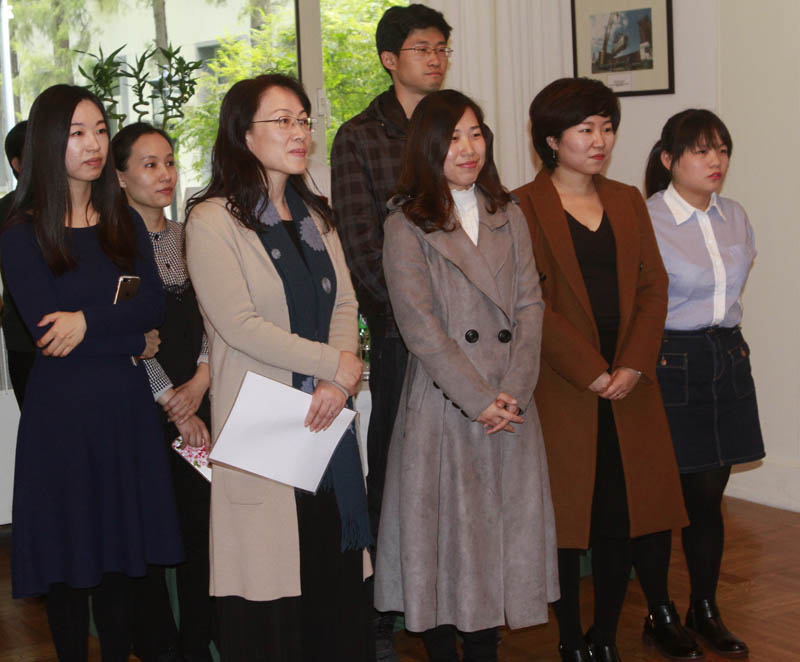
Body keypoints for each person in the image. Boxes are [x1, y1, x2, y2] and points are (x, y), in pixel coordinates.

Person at [184, 73, 373, 662]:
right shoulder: (213, 219)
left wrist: (336, 381)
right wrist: (336, 365)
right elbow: (239, 325)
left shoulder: (317, 215)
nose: (300, 133)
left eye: (304, 120)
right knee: (271, 589)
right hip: (264, 430)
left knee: (330, 575)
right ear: (243, 134)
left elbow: (345, 301)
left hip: (323, 420)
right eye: (282, 120)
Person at [374, 89, 559, 662]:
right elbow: (421, 328)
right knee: (442, 550)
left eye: (476, 133)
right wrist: (479, 399)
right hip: (448, 406)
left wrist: (515, 389)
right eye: (453, 136)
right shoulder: (406, 224)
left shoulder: (511, 214)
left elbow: (530, 305)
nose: (468, 147)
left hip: (510, 402)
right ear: (427, 146)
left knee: (498, 549)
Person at [0, 84, 182, 661]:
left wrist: (89, 322)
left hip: (125, 413)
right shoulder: (20, 230)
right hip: (64, 420)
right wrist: (127, 337)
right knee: (69, 566)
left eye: (101, 129)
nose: (94, 144)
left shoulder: (123, 219)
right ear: (52, 141)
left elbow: (154, 307)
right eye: (78, 132)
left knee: (124, 565)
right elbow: (49, 335)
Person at [513, 78, 690, 662]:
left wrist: (633, 364)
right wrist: (590, 371)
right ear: (551, 139)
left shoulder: (626, 199)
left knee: (627, 514)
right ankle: (569, 639)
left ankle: (606, 636)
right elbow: (530, 301)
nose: (600, 140)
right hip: (565, 383)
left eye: (607, 127)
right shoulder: (520, 206)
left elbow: (652, 285)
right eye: (585, 129)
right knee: (569, 518)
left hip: (629, 379)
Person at [331, 6, 452, 654]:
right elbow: (356, 242)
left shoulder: (458, 127)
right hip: (403, 334)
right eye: (421, 48)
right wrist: (409, 317)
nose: (434, 58)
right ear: (389, 59)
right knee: (397, 468)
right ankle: (383, 607)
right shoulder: (359, 136)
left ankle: (451, 597)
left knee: (455, 473)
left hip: (466, 336)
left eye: (442, 48)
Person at [643, 109, 764, 660]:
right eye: (699, 150)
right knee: (668, 499)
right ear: (669, 160)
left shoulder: (734, 216)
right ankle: (659, 612)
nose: (715, 160)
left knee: (710, 498)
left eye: (721, 149)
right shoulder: (644, 218)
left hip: (727, 355)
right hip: (671, 360)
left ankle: (705, 607)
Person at [112, 122, 214, 662]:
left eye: (169, 161)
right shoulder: (111, 246)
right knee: (149, 531)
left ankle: (200, 639)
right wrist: (171, 402)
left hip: (200, 395)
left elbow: (213, 320)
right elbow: (128, 340)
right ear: (121, 175)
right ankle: (157, 644)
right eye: (149, 164)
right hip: (145, 407)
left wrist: (199, 381)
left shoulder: (191, 234)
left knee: (204, 527)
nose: (165, 173)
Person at [0, 120, 37, 407]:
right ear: (17, 163)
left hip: (80, 337)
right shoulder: (6, 212)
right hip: (24, 342)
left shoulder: (75, 205)